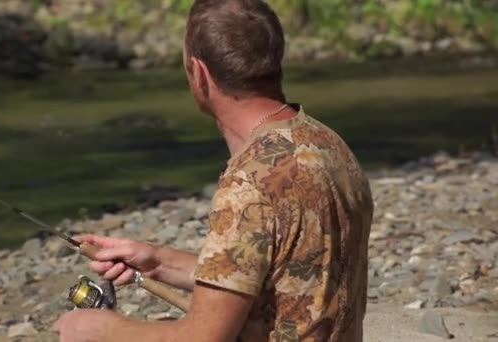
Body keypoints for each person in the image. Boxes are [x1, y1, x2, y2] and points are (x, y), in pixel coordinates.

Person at [53, 0, 374, 341]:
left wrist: (100, 330)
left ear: (200, 73)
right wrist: (159, 262)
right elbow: (280, 275)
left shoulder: (248, 185)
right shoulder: (325, 142)